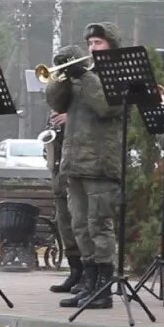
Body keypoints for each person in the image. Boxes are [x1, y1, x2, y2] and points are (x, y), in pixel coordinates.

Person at [46, 22, 124, 310]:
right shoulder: (83, 77)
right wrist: (62, 77)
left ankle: (103, 288)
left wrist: (85, 78)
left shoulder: (117, 75)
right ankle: (88, 283)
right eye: (90, 43)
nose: (92, 48)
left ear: (112, 46)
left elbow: (107, 107)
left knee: (99, 225)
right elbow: (56, 101)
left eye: (99, 43)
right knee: (79, 225)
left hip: (101, 162)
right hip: (74, 161)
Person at [44, 45, 84, 294]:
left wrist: (71, 117)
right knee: (65, 224)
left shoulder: (86, 86)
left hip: (79, 164)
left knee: (81, 223)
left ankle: (86, 274)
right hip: (60, 164)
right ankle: (74, 271)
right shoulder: (63, 90)